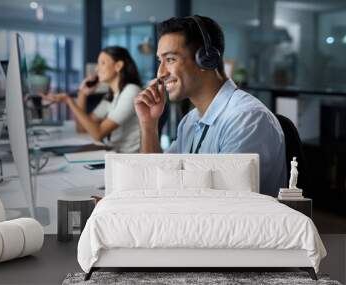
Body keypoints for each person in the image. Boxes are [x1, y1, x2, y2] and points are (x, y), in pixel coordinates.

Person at [134, 15, 286, 196]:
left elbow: (223, 204)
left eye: (171, 60)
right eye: (161, 61)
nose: (160, 73)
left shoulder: (246, 119)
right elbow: (155, 180)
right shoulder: (190, 122)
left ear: (206, 59)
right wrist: (149, 124)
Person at [42, 46, 142, 153]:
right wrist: (82, 94)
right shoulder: (112, 95)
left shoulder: (131, 91)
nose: (97, 68)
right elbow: (82, 128)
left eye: (102, 63)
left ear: (118, 66)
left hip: (127, 158)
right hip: (113, 154)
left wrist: (69, 101)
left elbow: (98, 134)